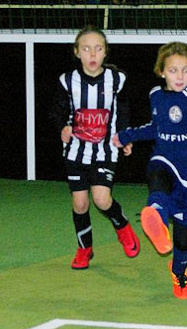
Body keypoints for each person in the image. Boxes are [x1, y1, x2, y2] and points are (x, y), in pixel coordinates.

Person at [113, 41, 187, 300]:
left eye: (185, 70)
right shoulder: (156, 95)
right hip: (164, 158)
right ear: (161, 71)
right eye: (173, 70)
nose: (180, 76)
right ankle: (158, 220)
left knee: (184, 239)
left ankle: (179, 273)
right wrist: (126, 135)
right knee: (157, 176)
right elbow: (155, 127)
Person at [50, 25, 140, 270]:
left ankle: (122, 225)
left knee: (101, 199)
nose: (92, 54)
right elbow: (57, 111)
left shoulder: (117, 80)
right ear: (77, 52)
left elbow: (123, 111)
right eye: (86, 49)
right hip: (76, 151)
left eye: (98, 49)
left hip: (105, 150)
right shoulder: (67, 81)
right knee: (80, 203)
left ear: (105, 53)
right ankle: (84, 249)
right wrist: (63, 127)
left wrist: (125, 136)